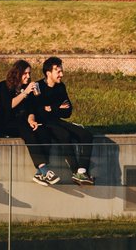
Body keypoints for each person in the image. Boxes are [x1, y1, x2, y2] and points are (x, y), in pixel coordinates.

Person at [0, 59, 59, 185]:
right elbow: (8, 106)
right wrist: (25, 93)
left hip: (22, 122)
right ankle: (44, 168)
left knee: (42, 130)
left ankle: (40, 173)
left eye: (29, 73)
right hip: (4, 123)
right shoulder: (4, 86)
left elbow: (31, 109)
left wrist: (32, 120)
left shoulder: (26, 88)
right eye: (25, 74)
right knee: (26, 130)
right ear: (17, 73)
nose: (28, 76)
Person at [33, 56, 95, 185]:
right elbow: (39, 112)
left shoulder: (60, 87)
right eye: (58, 71)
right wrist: (57, 107)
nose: (61, 74)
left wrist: (50, 108)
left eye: (62, 71)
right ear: (48, 73)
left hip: (57, 120)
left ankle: (82, 171)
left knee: (86, 135)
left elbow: (68, 111)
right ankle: (75, 171)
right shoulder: (38, 87)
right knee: (64, 135)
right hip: (44, 124)